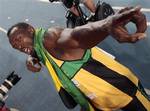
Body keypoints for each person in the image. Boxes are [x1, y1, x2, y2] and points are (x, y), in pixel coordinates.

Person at [7, 6, 150, 111]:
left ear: (31, 29)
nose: (19, 46)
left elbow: (75, 36)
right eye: (15, 46)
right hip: (97, 99)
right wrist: (31, 59)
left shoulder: (49, 38)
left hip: (122, 89)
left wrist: (106, 25)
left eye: (19, 39)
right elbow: (35, 52)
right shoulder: (37, 47)